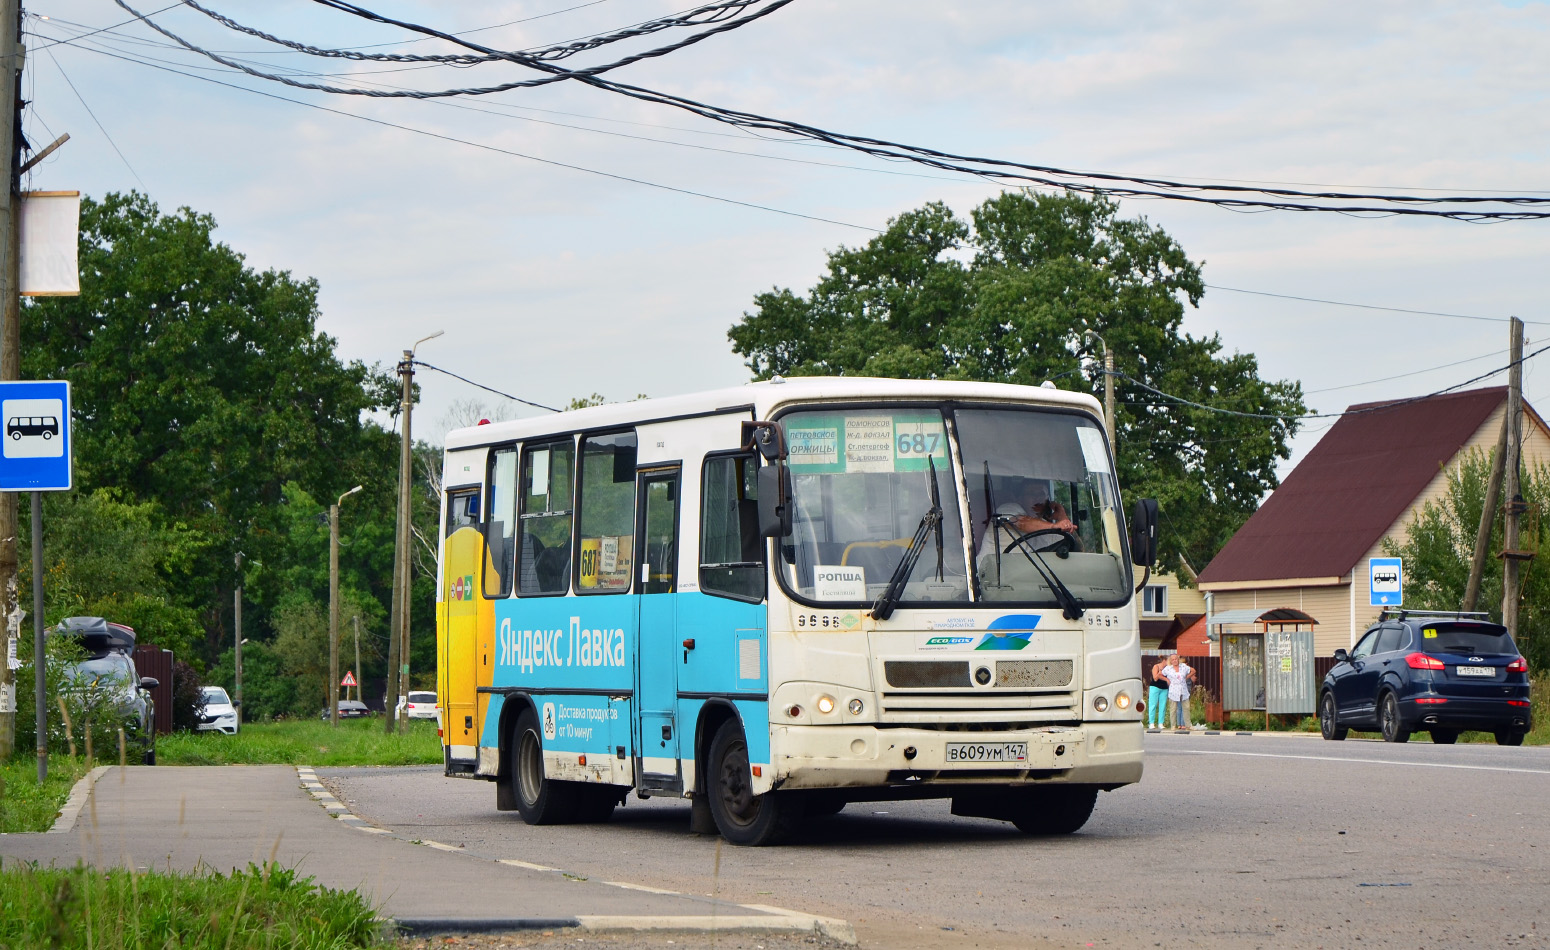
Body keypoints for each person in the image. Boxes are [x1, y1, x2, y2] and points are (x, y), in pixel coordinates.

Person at [1160, 653, 1197, 731]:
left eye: (1176, 659)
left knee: (1186, 707)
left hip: (1183, 689)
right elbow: (1160, 675)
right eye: (1173, 659)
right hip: (1173, 690)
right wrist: (1167, 680)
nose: (1175, 661)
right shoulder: (1168, 668)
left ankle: (1188, 725)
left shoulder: (1183, 667)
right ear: (1171, 661)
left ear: (1178, 659)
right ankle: (1173, 725)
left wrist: (1187, 677)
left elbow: (1193, 671)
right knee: (1173, 708)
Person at [1147, 657, 1170, 729]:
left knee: (1162, 706)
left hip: (1164, 688)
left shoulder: (1168, 669)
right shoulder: (1156, 666)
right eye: (1168, 661)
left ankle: (1160, 723)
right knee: (1153, 705)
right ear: (1164, 661)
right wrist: (1161, 673)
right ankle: (1151, 722)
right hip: (1155, 687)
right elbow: (1155, 678)